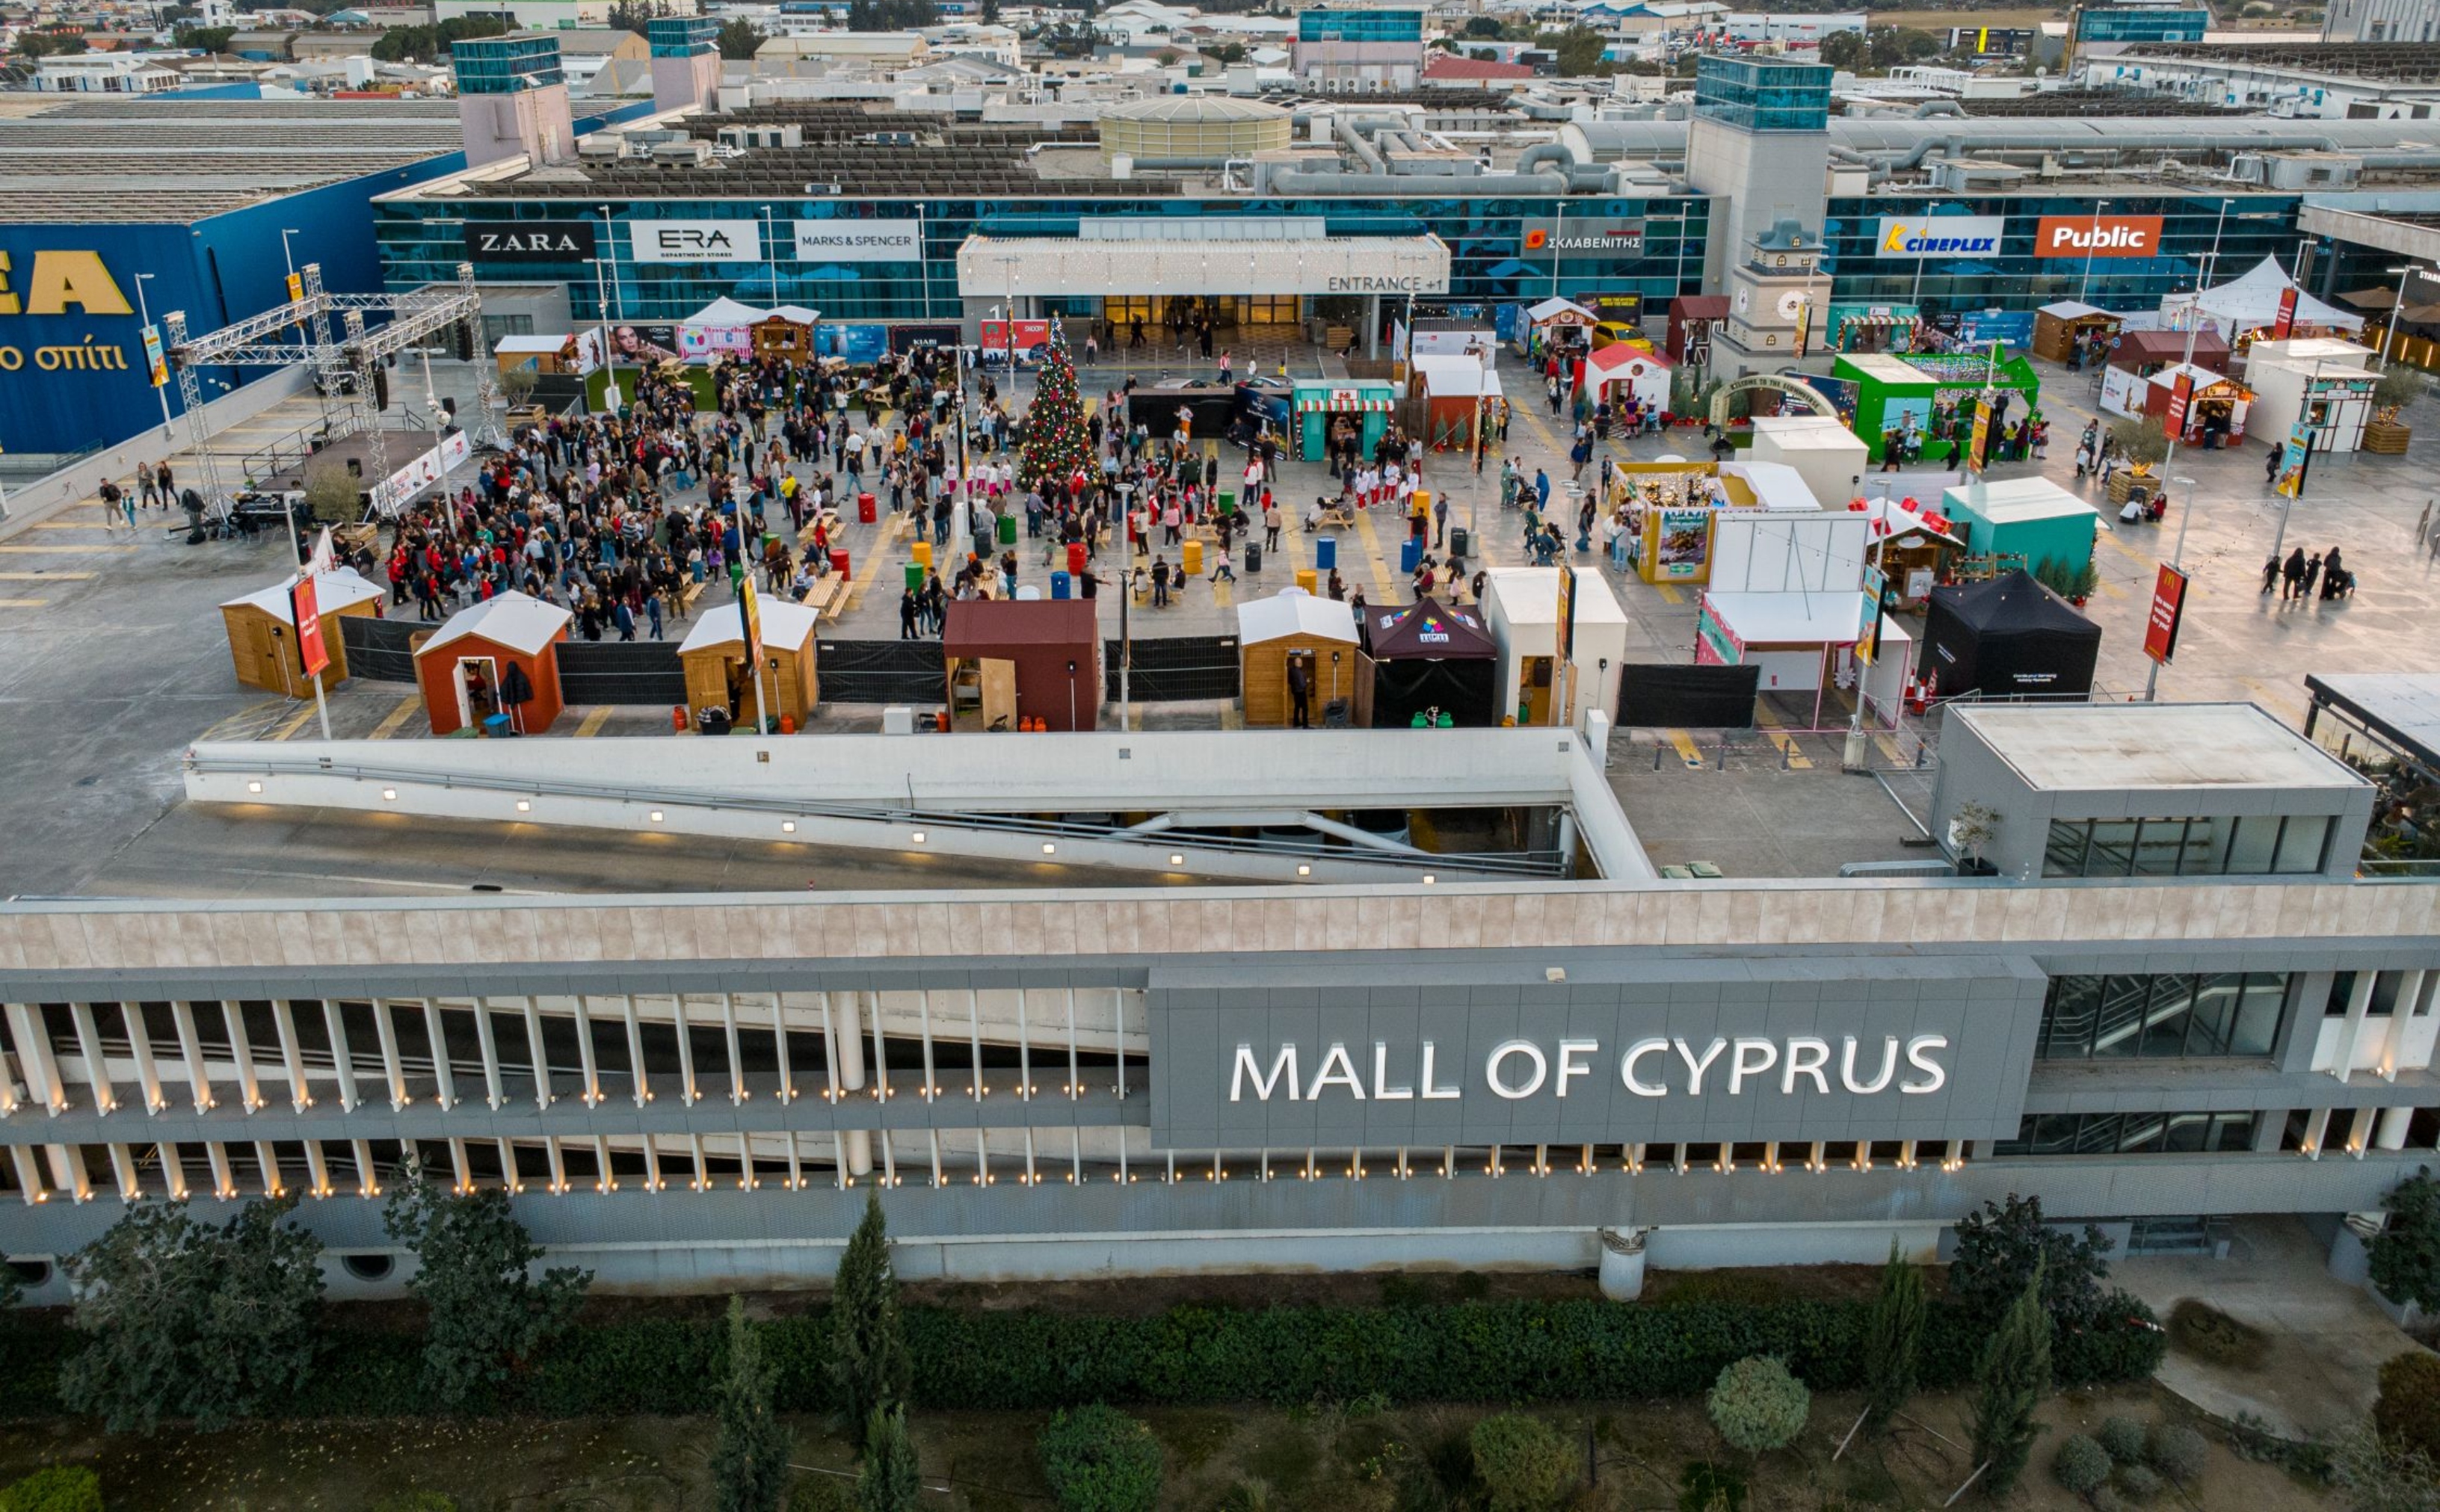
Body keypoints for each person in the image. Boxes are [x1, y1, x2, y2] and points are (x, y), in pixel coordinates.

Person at [1287, 655, 1311, 729]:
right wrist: (1307, 682)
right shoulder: (1299, 672)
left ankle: (1296, 723)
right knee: (1305, 708)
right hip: (1301, 692)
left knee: (1297, 707)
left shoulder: (1291, 670)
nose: (1302, 663)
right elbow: (1302, 684)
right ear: (1299, 663)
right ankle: (1305, 725)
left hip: (1295, 692)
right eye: (1301, 662)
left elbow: (1290, 681)